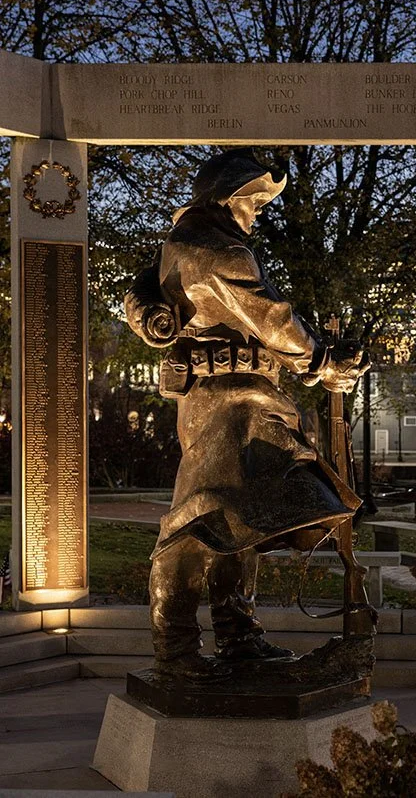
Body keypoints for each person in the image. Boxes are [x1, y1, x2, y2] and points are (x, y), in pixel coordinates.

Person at [125, 148, 369, 679]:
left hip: (235, 398)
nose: (256, 213)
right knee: (200, 518)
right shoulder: (220, 253)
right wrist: (324, 363)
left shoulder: (183, 245)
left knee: (242, 517)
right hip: (231, 402)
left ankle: (237, 636)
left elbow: (147, 294)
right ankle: (177, 650)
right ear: (226, 199)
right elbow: (273, 320)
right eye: (252, 203)